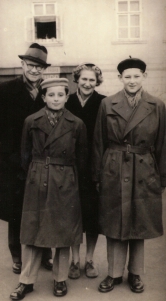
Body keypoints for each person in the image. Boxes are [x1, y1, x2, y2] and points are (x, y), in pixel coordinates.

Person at [92, 57, 166, 293]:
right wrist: (97, 175)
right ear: (120, 78)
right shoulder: (108, 104)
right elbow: (98, 142)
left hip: (144, 169)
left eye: (136, 76)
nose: (132, 81)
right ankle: (113, 274)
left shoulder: (157, 105)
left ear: (144, 77)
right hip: (114, 167)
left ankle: (135, 274)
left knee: (139, 221)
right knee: (115, 222)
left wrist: (162, 177)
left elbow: (163, 143)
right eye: (127, 76)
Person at [10, 78, 87, 300]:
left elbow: (81, 158)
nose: (56, 99)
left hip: (65, 181)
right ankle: (26, 281)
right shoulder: (31, 121)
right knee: (32, 231)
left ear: (66, 97)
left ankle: (60, 278)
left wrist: (71, 181)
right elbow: (25, 155)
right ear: (43, 98)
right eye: (51, 95)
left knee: (62, 231)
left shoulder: (77, 124)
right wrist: (35, 175)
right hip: (37, 178)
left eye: (60, 95)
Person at [0, 43, 53, 274]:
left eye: (40, 67)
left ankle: (46, 253)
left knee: (43, 207)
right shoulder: (4, 90)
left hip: (41, 159)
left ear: (44, 69)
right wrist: (15, 149)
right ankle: (17, 256)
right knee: (16, 209)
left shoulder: (48, 91)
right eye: (31, 65)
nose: (35, 70)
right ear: (23, 64)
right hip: (13, 158)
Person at [65, 63, 106, 279]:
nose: (87, 83)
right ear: (77, 80)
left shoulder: (103, 102)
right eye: (84, 79)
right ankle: (74, 260)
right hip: (69, 166)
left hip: (94, 166)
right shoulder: (67, 101)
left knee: (91, 215)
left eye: (92, 80)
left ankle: (89, 259)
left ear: (97, 82)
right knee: (72, 213)